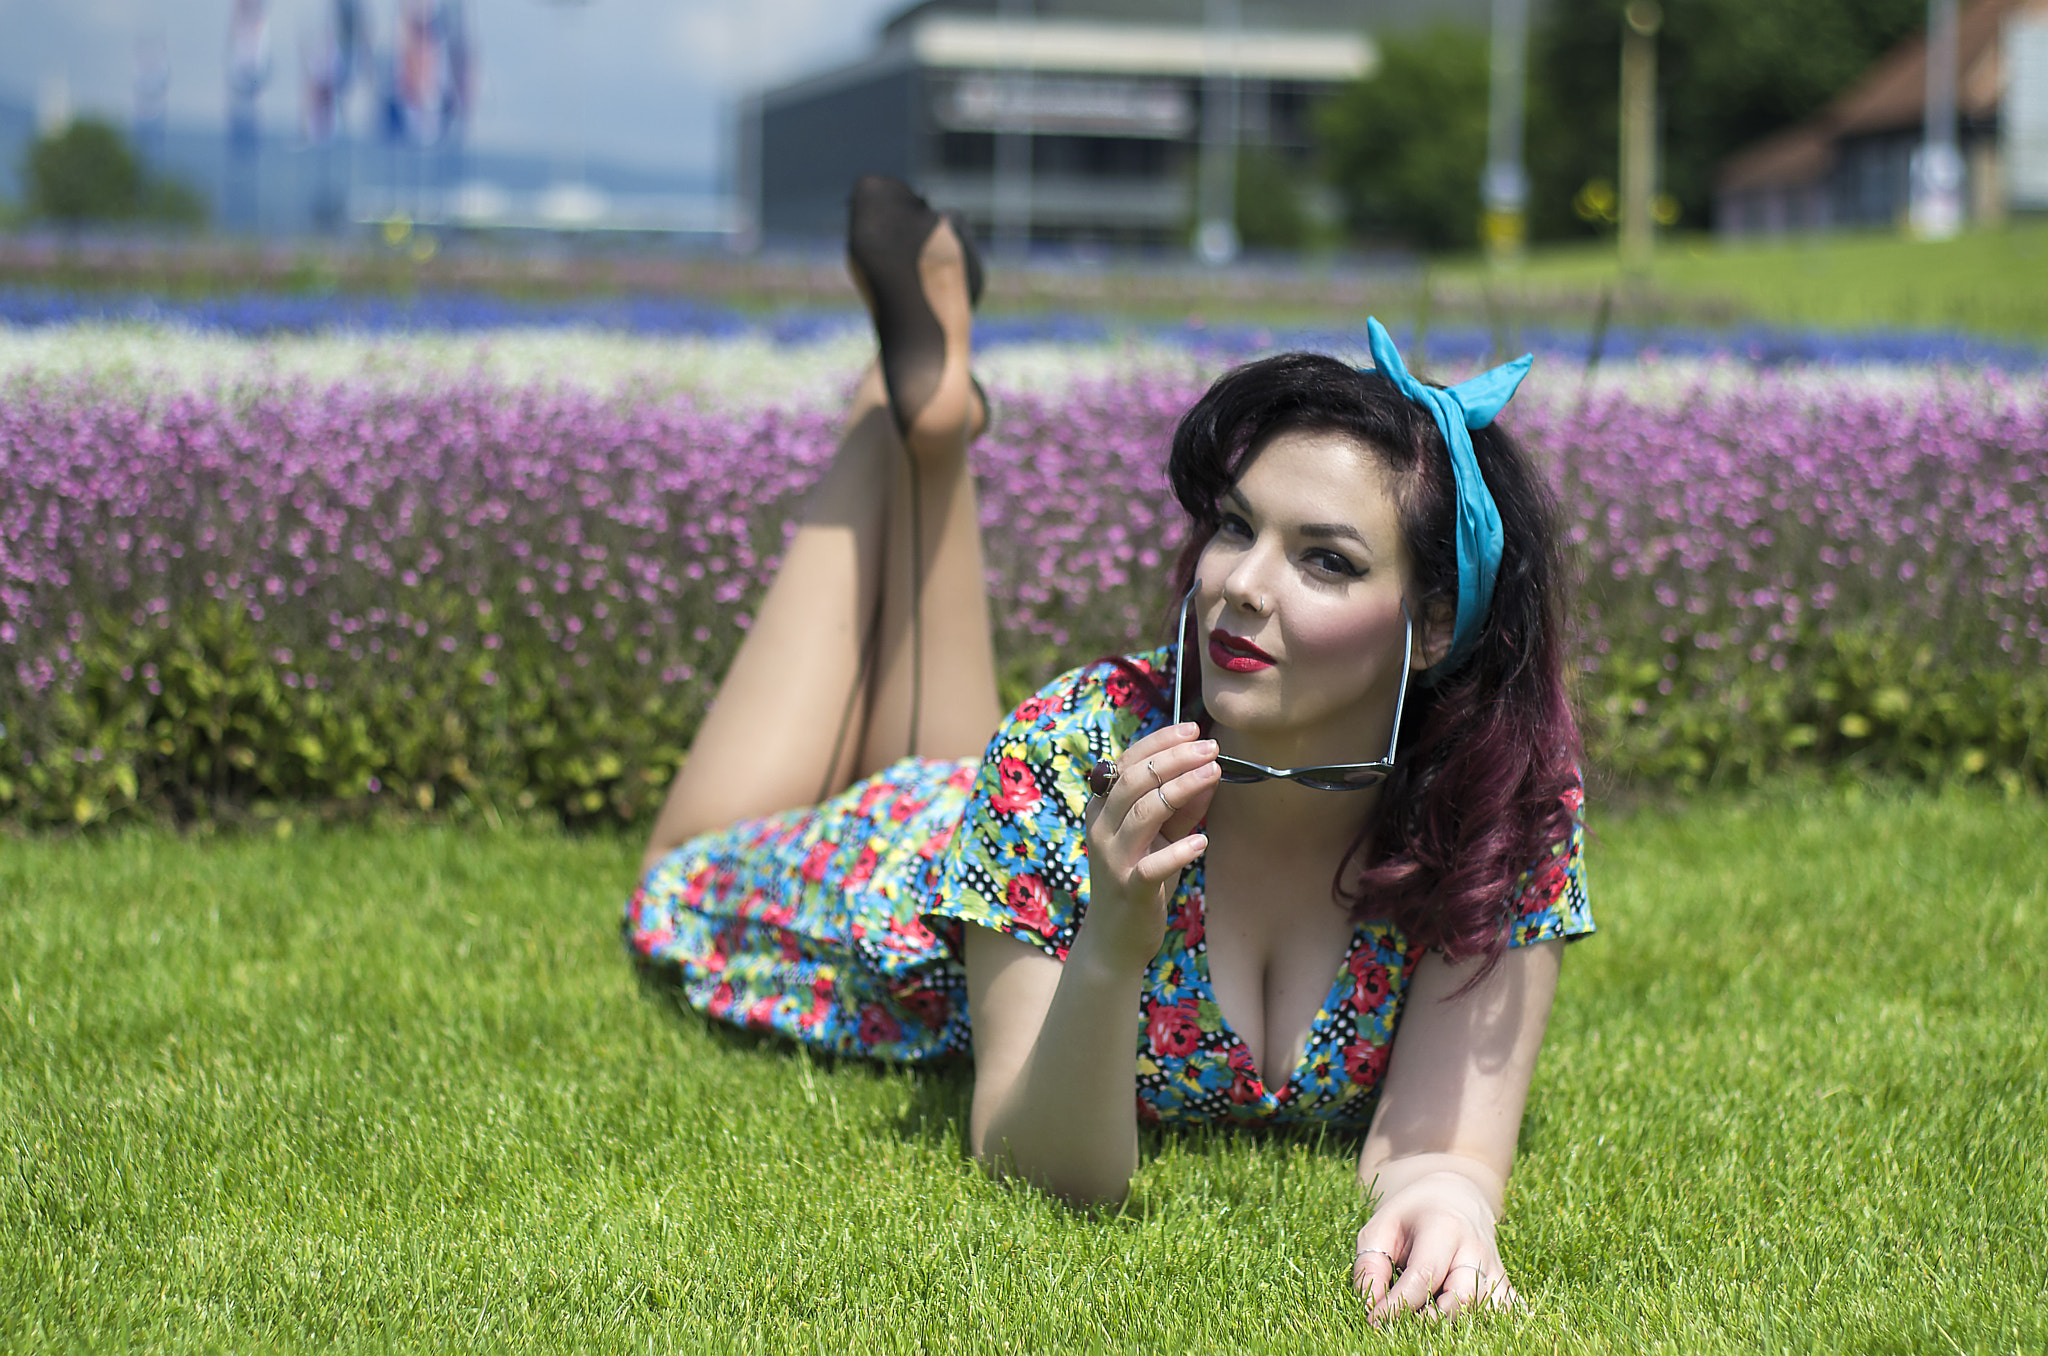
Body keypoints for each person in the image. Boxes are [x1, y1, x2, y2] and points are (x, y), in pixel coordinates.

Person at [625, 175, 1592, 1322]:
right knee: (682, 862)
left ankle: (931, 432)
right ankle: (893, 431)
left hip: (995, 797)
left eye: (1322, 559)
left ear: (1432, 623)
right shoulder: (1071, 748)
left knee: (960, 739)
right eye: (1235, 527)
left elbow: (1440, 1148)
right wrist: (1111, 935)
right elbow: (1038, 1162)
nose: (1236, 583)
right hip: (909, 859)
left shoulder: (1503, 802)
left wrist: (1451, 1201)